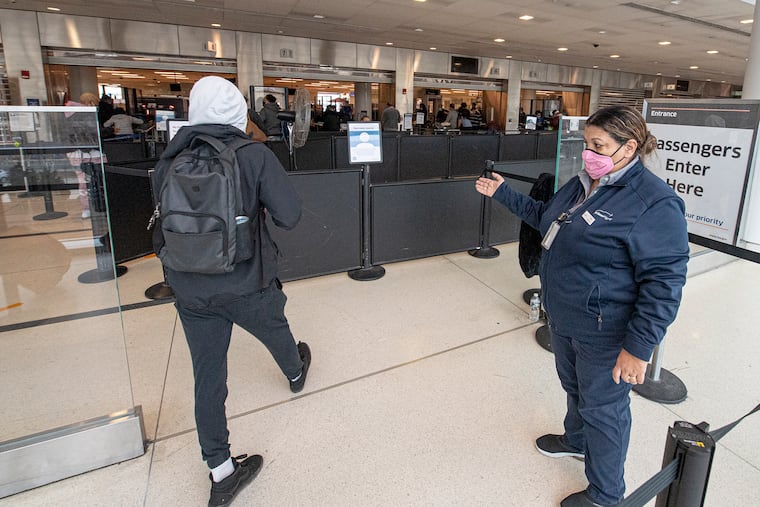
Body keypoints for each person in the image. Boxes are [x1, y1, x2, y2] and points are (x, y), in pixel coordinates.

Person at [475, 105, 689, 507]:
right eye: (586, 143)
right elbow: (546, 218)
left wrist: (639, 347)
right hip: (566, 316)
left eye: (598, 145)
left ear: (630, 147)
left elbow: (664, 284)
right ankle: (575, 441)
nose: (588, 152)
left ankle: (607, 495)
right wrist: (502, 192)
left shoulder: (654, 203)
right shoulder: (584, 181)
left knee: (605, 409)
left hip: (606, 331)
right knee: (574, 388)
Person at [154, 76, 311, 506]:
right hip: (246, 280)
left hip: (189, 287)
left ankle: (222, 473)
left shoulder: (170, 159)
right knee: (275, 328)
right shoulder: (253, 155)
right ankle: (296, 372)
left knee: (207, 377)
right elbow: (290, 215)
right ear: (237, 112)